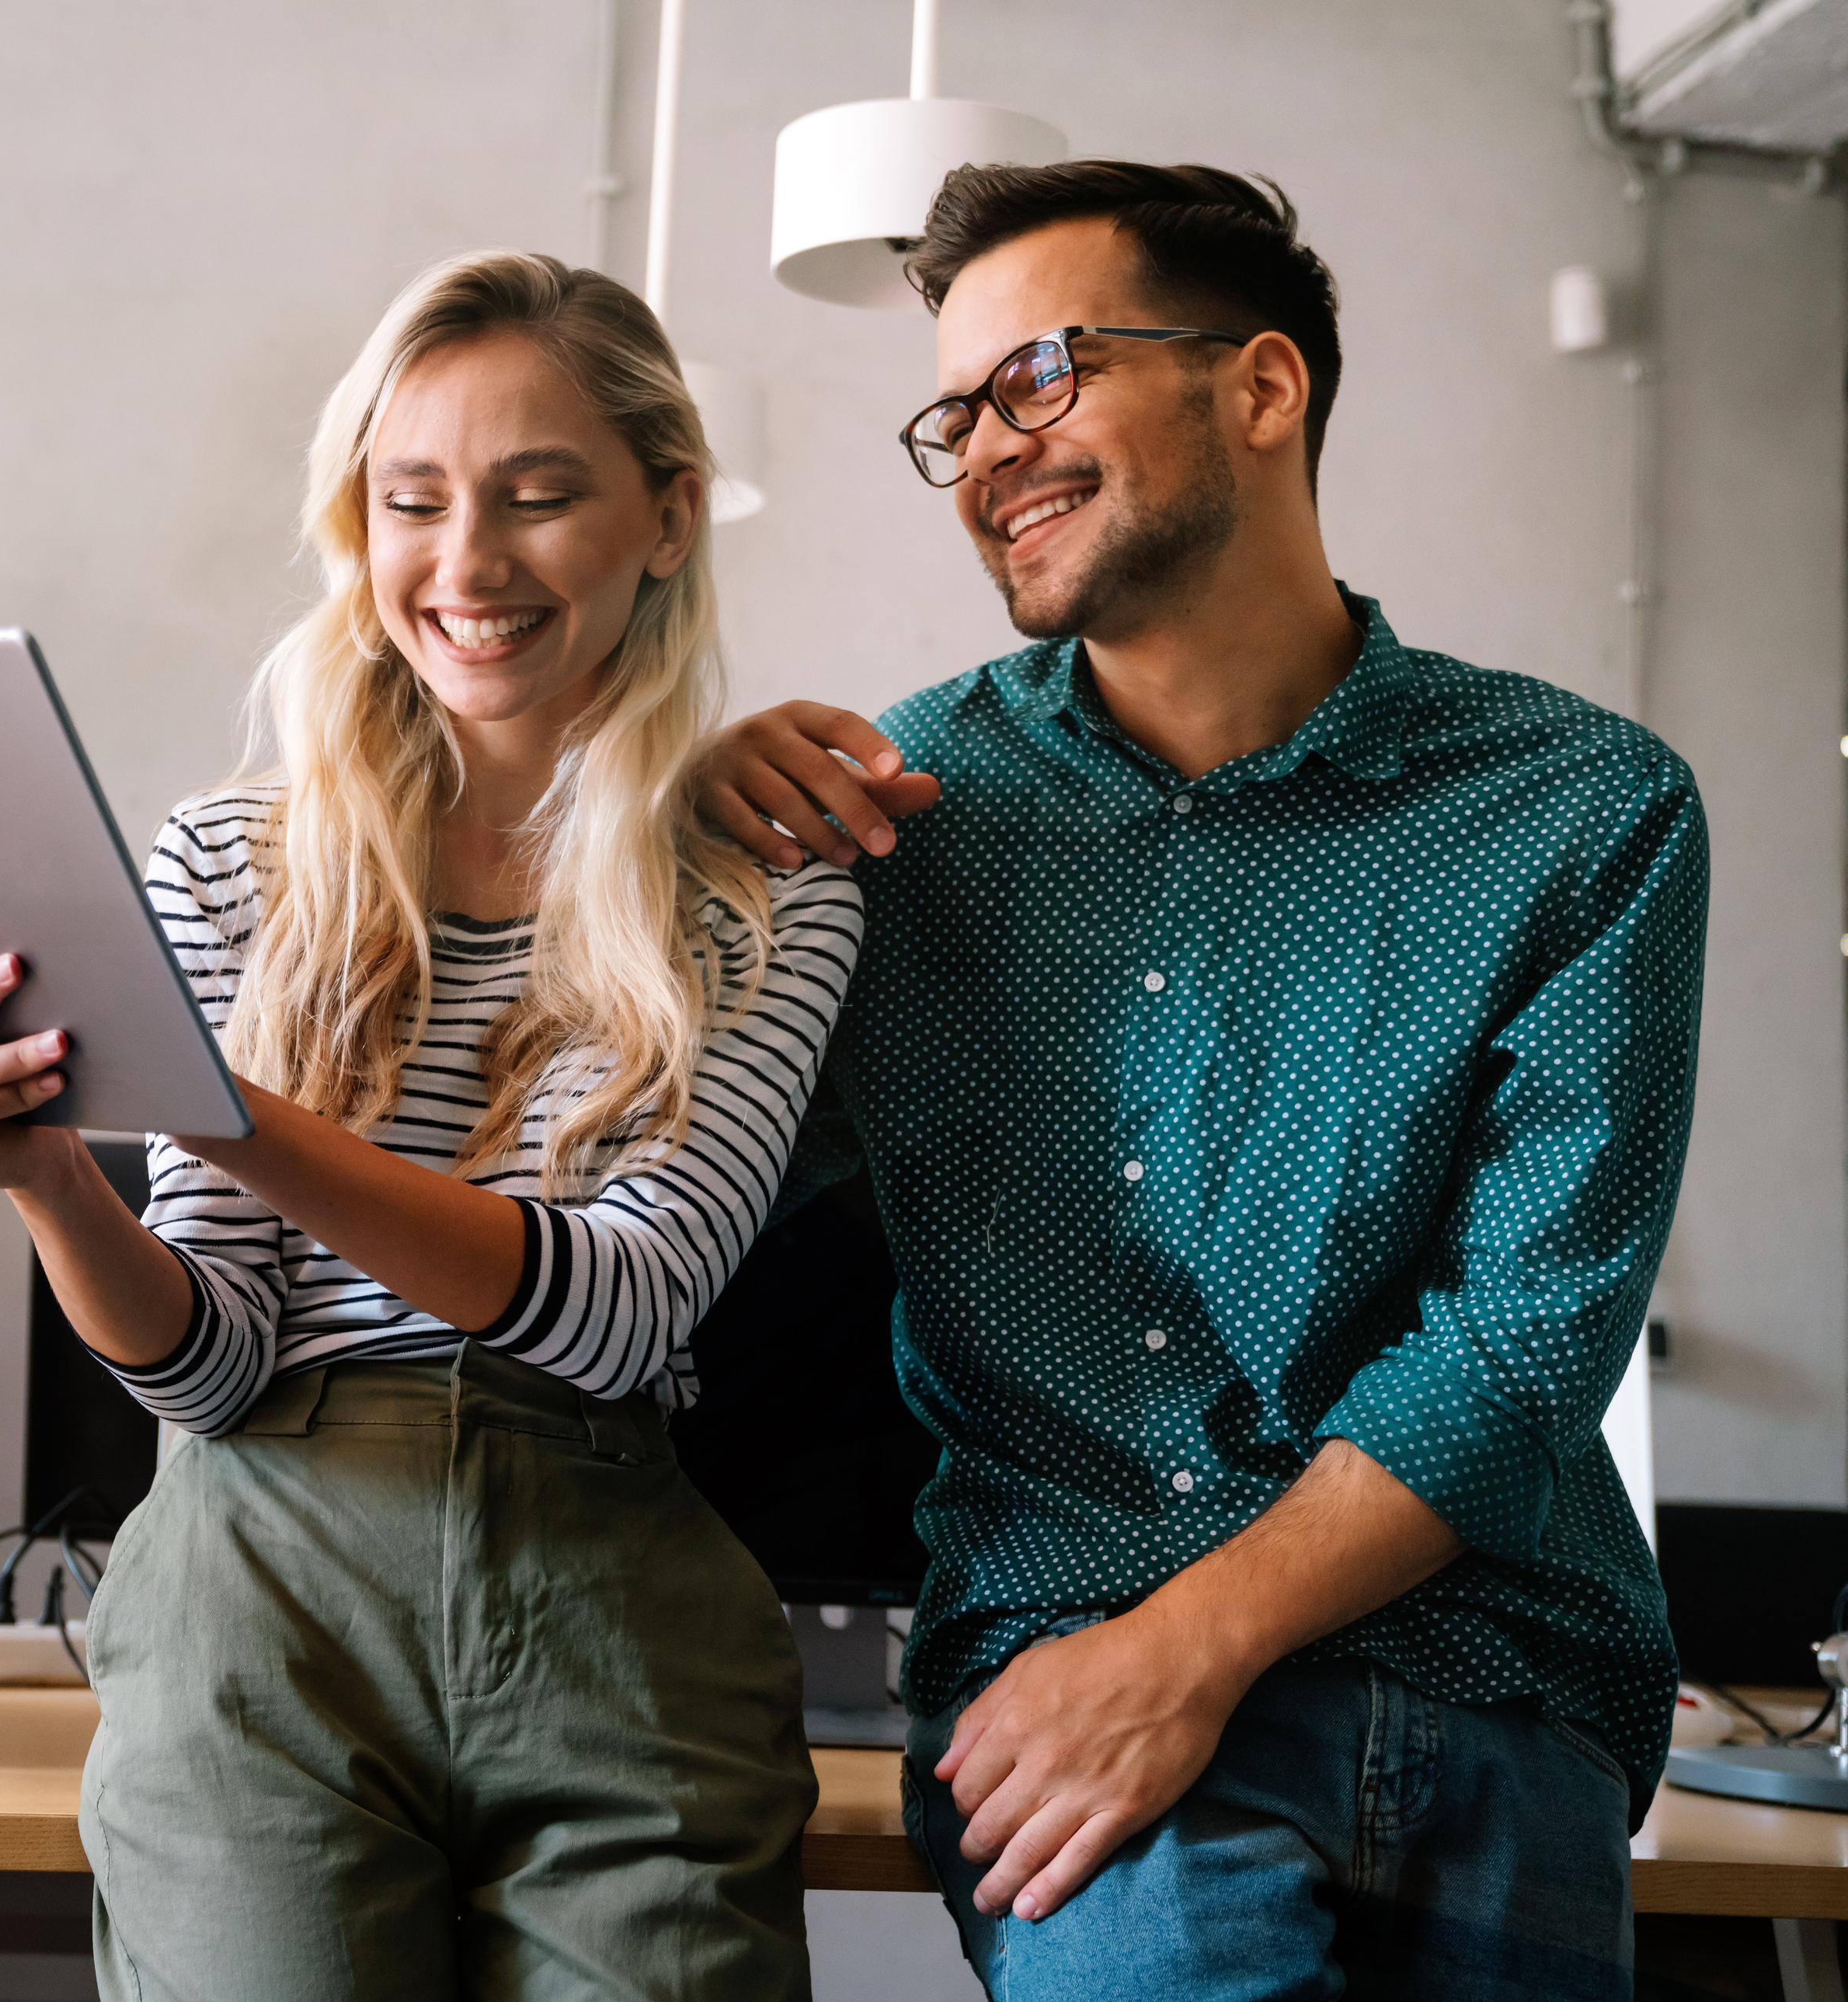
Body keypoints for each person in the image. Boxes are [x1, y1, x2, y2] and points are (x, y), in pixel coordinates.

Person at [699, 163, 1702, 1997]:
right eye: (952, 416)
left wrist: (1196, 1644)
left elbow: (1526, 1340)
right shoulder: (887, 823)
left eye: (1039, 377)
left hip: (1494, 1680)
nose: (984, 452)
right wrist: (657, 836)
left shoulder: (1581, 807)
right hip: (1071, 1694)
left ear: (1256, 387)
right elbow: (651, 1218)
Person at [0, 250, 861, 2000]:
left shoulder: (757, 882)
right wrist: (47, 1177)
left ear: (666, 515)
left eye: (537, 495)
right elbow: (207, 1357)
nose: (465, 564)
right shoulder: (227, 863)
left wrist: (204, 1098)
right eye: (410, 501)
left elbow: (615, 1304)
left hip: (611, 1609)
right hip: (253, 1591)